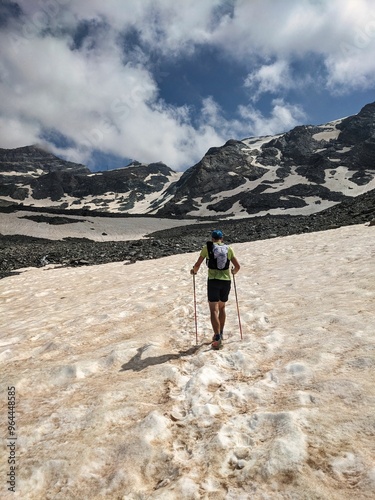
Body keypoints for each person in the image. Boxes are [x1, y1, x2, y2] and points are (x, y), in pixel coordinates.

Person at [191, 229, 240, 349]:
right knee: (222, 307)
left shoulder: (207, 248)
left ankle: (217, 337)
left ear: (212, 238)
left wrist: (194, 271)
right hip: (226, 281)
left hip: (213, 281)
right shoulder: (228, 249)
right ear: (222, 239)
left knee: (213, 310)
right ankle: (221, 333)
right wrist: (233, 271)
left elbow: (197, 264)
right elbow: (237, 266)